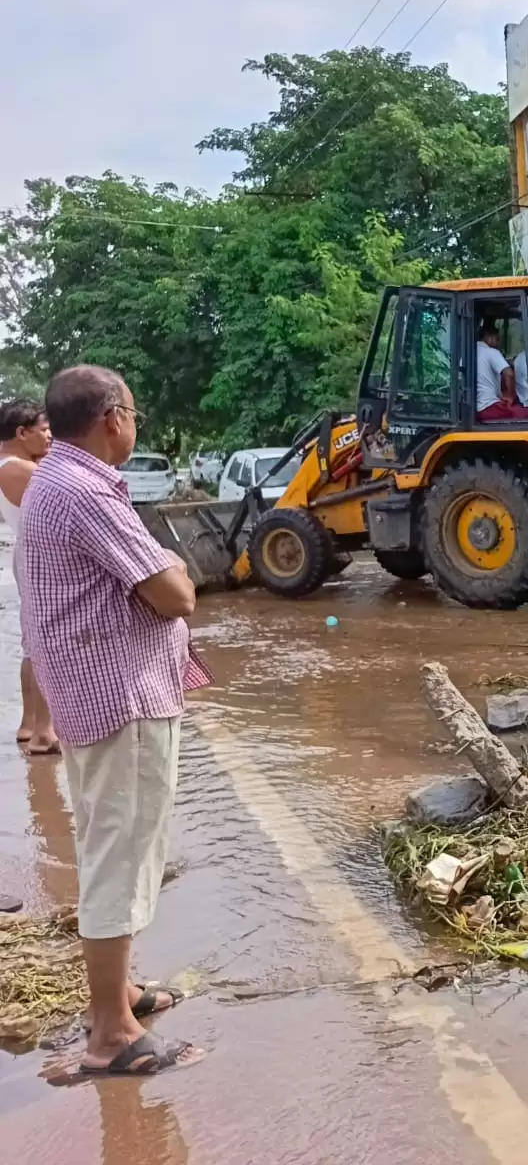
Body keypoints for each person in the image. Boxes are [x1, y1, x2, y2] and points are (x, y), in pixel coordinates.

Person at [19, 365, 208, 1076]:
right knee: (119, 857)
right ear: (112, 418)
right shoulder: (87, 491)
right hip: (118, 699)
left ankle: (119, 991)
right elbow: (173, 595)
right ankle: (110, 1032)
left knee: (116, 844)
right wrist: (175, 565)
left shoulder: (55, 483)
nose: (135, 427)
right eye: (133, 415)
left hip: (93, 692)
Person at [0, 400, 58, 755]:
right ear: (22, 433)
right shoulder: (19, 468)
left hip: (30, 552)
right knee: (45, 642)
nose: (50, 437)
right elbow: (69, 486)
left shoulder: (14, 464)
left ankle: (31, 725)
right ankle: (44, 732)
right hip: (42, 557)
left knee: (32, 642)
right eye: (45, 430)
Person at [474, 322, 527, 422]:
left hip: (473, 411)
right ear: (488, 337)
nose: (498, 343)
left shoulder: (468, 353)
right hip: (489, 407)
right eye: (497, 339)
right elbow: (509, 374)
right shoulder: (491, 352)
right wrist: (510, 396)